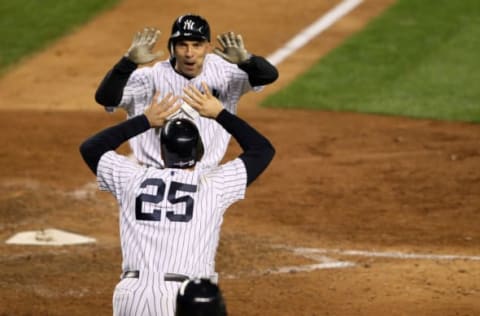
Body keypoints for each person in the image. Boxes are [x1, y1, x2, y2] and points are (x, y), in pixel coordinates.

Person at [80, 82, 275, 316]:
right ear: (199, 151)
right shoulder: (213, 185)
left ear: (162, 152)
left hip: (130, 294)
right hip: (181, 297)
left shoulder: (131, 178)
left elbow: (91, 148)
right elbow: (262, 149)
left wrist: (144, 120)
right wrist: (220, 114)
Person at [94, 13, 278, 169]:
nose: (189, 53)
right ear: (172, 48)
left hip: (204, 177)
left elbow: (267, 76)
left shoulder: (224, 72)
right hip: (153, 175)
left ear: (207, 47)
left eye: (197, 45)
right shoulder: (149, 78)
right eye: (182, 44)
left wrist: (247, 60)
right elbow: (106, 98)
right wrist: (127, 63)